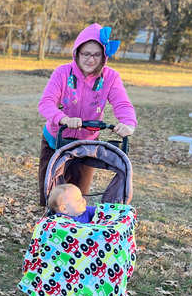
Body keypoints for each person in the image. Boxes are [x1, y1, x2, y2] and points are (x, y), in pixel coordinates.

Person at [37, 23, 137, 205]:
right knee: (50, 197)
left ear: (104, 56)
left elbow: (122, 103)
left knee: (76, 197)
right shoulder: (62, 73)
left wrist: (127, 123)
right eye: (86, 54)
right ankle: (49, 228)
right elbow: (46, 103)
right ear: (77, 53)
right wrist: (64, 119)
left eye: (96, 54)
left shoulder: (110, 77)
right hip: (56, 141)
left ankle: (74, 229)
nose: (91, 59)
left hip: (85, 145)